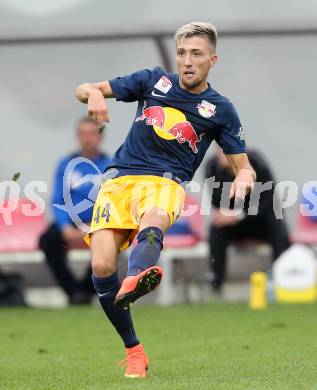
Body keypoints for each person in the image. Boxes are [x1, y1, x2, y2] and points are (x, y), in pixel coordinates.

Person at [75, 22, 256, 378]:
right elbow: (84, 89)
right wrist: (94, 94)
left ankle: (139, 274)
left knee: (155, 215)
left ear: (212, 60)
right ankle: (134, 351)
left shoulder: (219, 109)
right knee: (100, 266)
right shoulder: (152, 80)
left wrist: (246, 176)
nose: (187, 61)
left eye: (197, 54)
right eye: (182, 53)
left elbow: (243, 164)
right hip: (119, 181)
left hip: (166, 182)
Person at [39, 117, 111, 304]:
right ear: (77, 137)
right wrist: (65, 228)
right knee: (47, 241)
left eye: (92, 134)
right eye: (83, 134)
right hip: (70, 222)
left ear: (100, 137)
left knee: (113, 241)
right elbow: (57, 199)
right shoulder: (66, 164)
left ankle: (87, 288)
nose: (87, 139)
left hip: (98, 223)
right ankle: (74, 291)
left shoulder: (111, 166)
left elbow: (112, 201)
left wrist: (91, 226)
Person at [205, 146, 290, 292]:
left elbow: (269, 203)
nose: (221, 154)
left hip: (259, 221)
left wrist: (238, 215)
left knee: (277, 223)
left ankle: (282, 278)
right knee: (216, 227)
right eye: (219, 149)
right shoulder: (213, 166)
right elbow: (217, 203)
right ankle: (216, 283)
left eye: (226, 149)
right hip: (236, 226)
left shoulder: (256, 163)